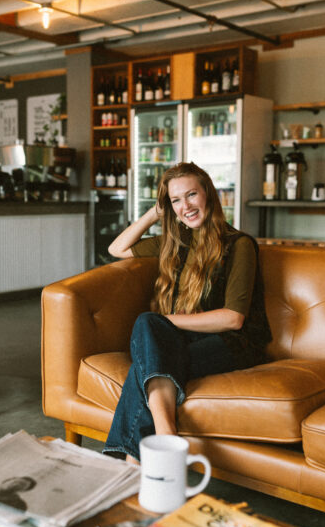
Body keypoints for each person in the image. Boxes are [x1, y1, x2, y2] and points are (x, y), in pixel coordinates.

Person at [103, 161, 271, 464]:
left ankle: (137, 461)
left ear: (208, 194)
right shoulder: (175, 241)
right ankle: (162, 448)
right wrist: (155, 212)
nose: (185, 207)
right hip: (189, 339)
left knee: (146, 355)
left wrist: (165, 321)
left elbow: (234, 318)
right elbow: (117, 248)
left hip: (235, 343)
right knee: (152, 358)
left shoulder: (239, 244)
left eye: (191, 195)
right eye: (176, 200)